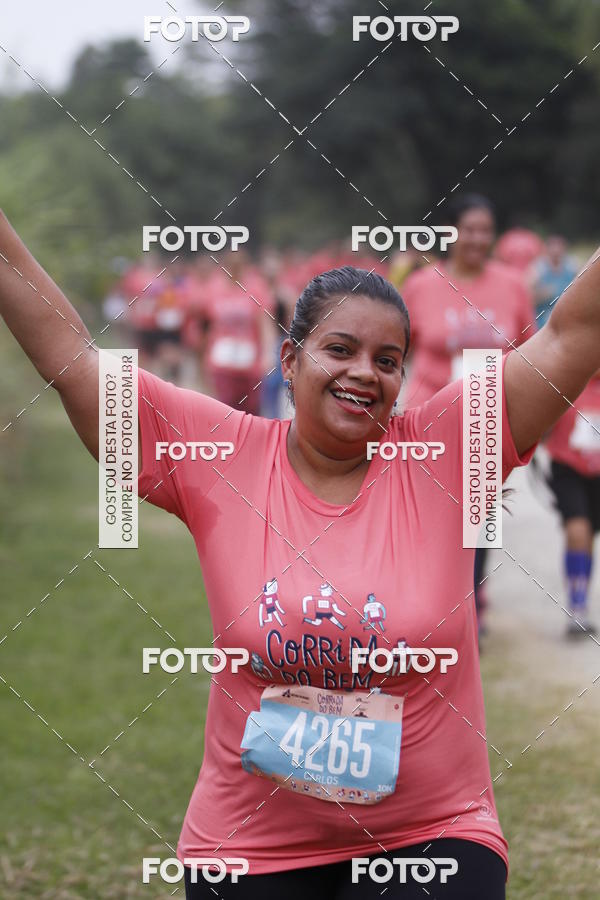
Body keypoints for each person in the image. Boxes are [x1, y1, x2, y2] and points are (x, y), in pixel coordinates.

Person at [2, 208, 600, 899]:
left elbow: (571, 333)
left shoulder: (450, 447)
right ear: (290, 359)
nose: (363, 374)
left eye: (387, 360)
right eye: (339, 349)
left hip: (432, 834)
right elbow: (71, 359)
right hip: (249, 843)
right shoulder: (215, 456)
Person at [401, 194, 535, 636]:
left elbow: (529, 352)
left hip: (486, 415)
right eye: (469, 229)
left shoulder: (512, 284)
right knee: (427, 512)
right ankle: (424, 603)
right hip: (428, 416)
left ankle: (472, 604)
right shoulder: (422, 285)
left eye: (485, 229)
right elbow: (395, 349)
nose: (478, 238)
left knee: (479, 515)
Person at [545, 372, 600, 637]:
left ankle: (582, 601)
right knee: (578, 530)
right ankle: (576, 608)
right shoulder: (569, 373)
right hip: (568, 467)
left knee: (588, 535)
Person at [530, 235, 579, 328]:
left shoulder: (572, 266)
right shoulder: (538, 268)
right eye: (553, 248)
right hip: (543, 320)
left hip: (568, 320)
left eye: (559, 248)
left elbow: (582, 292)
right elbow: (528, 298)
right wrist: (543, 294)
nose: (556, 251)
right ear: (547, 250)